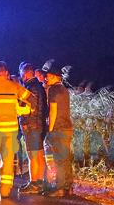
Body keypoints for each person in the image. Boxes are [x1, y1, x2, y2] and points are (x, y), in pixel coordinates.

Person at [0, 61, 33, 198]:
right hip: (11, 130)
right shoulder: (14, 86)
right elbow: (31, 99)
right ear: (6, 72)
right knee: (8, 160)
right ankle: (5, 190)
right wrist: (23, 109)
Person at [42, 61, 74, 196]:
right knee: (65, 158)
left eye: (47, 75)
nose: (45, 78)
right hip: (67, 127)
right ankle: (68, 187)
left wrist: (50, 130)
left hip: (58, 128)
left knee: (59, 159)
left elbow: (53, 111)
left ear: (55, 76)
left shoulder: (53, 89)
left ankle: (59, 188)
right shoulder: (64, 89)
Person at [18, 62, 48, 194]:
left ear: (24, 73)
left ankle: (34, 182)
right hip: (39, 124)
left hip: (31, 125)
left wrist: (21, 116)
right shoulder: (38, 86)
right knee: (39, 154)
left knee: (33, 155)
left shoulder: (30, 87)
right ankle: (40, 182)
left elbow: (31, 108)